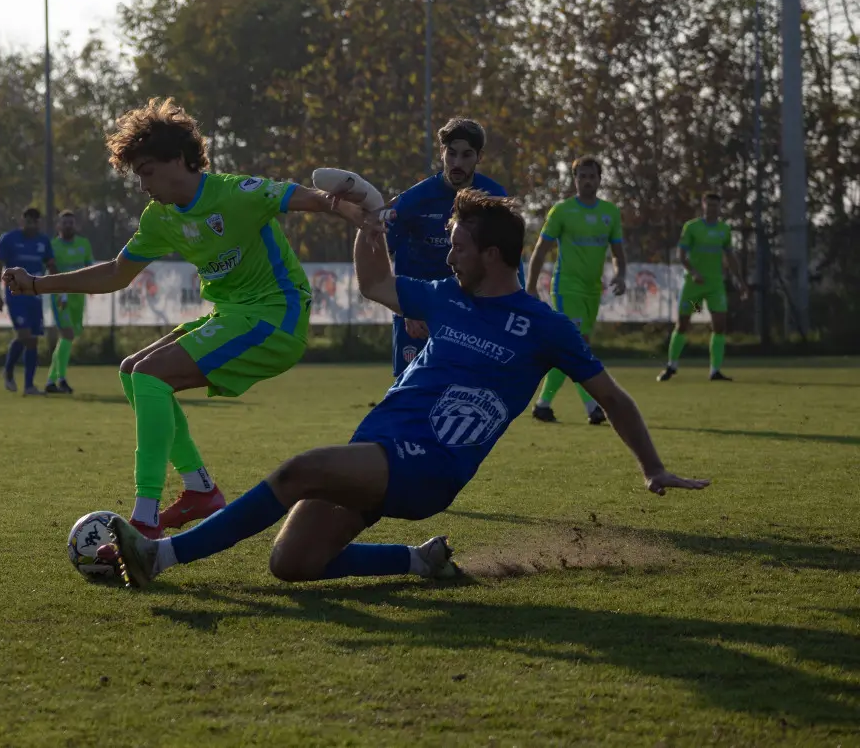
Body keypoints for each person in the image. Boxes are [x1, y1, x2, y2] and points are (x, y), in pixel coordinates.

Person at [96, 189, 709, 588]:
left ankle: (160, 555)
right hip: (378, 445)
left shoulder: (544, 326)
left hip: (428, 465)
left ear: (494, 255)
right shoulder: (445, 296)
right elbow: (375, 285)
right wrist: (370, 226)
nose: (449, 255)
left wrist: (652, 467)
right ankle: (420, 560)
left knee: (299, 470)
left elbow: (613, 397)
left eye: (459, 246)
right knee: (292, 564)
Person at [2, 96, 380, 540]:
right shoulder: (160, 217)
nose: (142, 185)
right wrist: (37, 285)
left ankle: (144, 518)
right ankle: (200, 490)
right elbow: (116, 273)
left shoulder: (233, 193)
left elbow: (299, 196)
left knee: (150, 375)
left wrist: (342, 205)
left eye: (146, 171)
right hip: (234, 315)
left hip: (275, 318)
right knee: (132, 371)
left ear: (179, 160)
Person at [386, 117, 510, 377]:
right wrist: (404, 307)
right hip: (417, 316)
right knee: (409, 392)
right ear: (442, 152)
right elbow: (381, 254)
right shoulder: (413, 200)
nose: (457, 163)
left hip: (471, 314)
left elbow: (509, 263)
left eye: (466, 155)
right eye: (451, 153)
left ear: (479, 157)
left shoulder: (494, 199)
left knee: (465, 390)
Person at [525, 156, 628, 425]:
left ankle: (543, 405)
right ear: (575, 179)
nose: (587, 181)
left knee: (574, 348)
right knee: (578, 345)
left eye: (592, 176)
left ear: (600, 179)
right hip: (566, 287)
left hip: (593, 290)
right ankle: (593, 407)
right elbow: (540, 250)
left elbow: (618, 253)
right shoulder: (562, 211)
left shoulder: (610, 212)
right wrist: (531, 286)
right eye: (582, 176)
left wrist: (621, 274)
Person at [658, 192, 748, 382]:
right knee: (683, 324)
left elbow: (730, 256)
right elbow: (681, 255)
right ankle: (671, 366)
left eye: (716, 205)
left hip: (715, 285)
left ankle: (715, 370)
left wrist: (739, 280)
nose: (713, 208)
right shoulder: (692, 227)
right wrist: (694, 272)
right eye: (710, 205)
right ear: (703, 206)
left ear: (720, 207)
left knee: (720, 325)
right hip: (694, 285)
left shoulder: (724, 230)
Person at [0, 207, 57, 396]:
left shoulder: (43, 241)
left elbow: (52, 267)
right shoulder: (9, 239)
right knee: (25, 336)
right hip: (15, 296)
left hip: (35, 297)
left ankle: (27, 384)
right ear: (22, 221)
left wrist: (60, 292)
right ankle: (11, 372)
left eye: (35, 221)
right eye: (28, 220)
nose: (31, 224)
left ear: (39, 223)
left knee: (32, 339)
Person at [45, 210, 95, 394]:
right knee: (67, 334)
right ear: (58, 225)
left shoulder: (84, 244)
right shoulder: (53, 246)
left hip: (78, 296)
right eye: (64, 223)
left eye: (71, 223)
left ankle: (51, 380)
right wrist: (61, 292)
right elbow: (51, 270)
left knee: (68, 337)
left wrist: (92, 285)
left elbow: (89, 267)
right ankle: (61, 379)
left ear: (76, 225)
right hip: (61, 296)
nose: (68, 226)